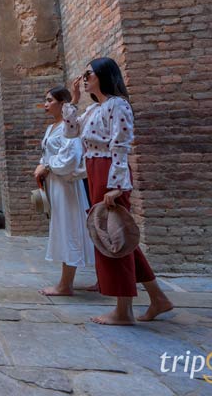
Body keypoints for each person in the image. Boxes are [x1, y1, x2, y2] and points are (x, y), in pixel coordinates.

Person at [63, 57, 174, 325]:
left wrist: (116, 186)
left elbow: (121, 146)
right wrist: (74, 100)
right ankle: (158, 299)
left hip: (109, 171)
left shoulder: (118, 105)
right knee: (114, 235)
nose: (85, 77)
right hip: (94, 170)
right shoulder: (92, 110)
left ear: (103, 75)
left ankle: (123, 311)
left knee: (111, 236)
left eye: (89, 73)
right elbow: (70, 132)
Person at [35, 86, 95, 296]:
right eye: (46, 99)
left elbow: (70, 158)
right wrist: (42, 166)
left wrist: (48, 166)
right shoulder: (52, 128)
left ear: (63, 104)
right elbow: (49, 153)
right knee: (61, 228)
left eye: (50, 100)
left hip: (66, 185)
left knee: (69, 228)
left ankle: (66, 284)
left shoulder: (69, 128)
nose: (45, 104)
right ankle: (68, 281)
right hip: (54, 183)